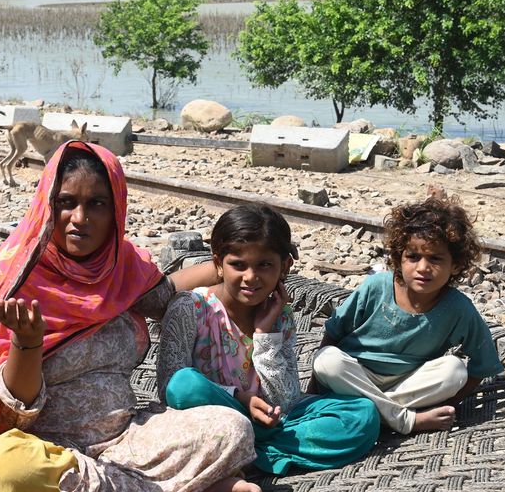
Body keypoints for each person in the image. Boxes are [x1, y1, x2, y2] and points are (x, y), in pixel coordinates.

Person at [0, 141, 264, 492]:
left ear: (116, 212)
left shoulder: (122, 266)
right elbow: (10, 417)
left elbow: (166, 294)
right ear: (47, 205)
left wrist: (233, 270)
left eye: (96, 204)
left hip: (126, 440)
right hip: (48, 450)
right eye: (66, 202)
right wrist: (28, 344)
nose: (80, 218)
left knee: (232, 427)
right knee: (5, 470)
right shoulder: (14, 278)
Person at [157, 204, 380, 475]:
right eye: (238, 265)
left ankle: (247, 454)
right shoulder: (189, 308)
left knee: (363, 414)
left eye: (264, 265)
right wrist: (241, 400)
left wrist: (265, 335)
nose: (251, 277)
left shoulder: (280, 314)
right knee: (184, 383)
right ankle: (250, 448)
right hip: (212, 422)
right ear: (218, 264)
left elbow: (285, 400)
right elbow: (172, 391)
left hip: (273, 424)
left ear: (284, 266)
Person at [311, 195, 504, 434]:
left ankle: (371, 410)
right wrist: (311, 394)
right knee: (326, 359)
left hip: (407, 385)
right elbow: (333, 332)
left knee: (454, 370)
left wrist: (450, 404)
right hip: (356, 376)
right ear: (398, 259)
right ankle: (404, 420)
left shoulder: (458, 308)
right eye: (413, 257)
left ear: (455, 265)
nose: (423, 267)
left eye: (435, 258)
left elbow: (482, 365)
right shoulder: (377, 287)